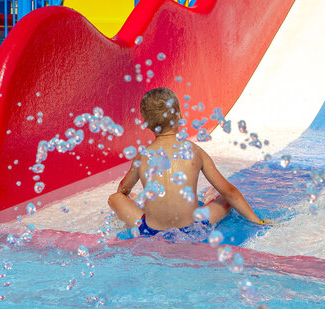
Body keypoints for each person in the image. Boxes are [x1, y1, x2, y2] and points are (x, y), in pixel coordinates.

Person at [109, 87, 268, 240]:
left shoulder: (142, 156)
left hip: (150, 230)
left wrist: (135, 202)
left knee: (115, 198)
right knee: (226, 198)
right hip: (193, 227)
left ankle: (141, 204)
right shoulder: (194, 151)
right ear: (179, 116)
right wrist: (258, 222)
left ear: (145, 122)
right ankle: (208, 200)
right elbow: (231, 192)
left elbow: (123, 189)